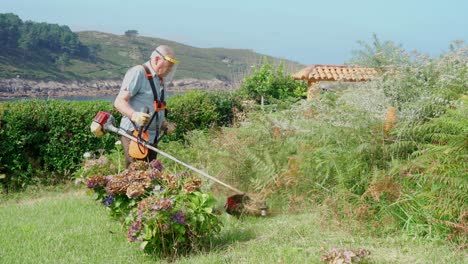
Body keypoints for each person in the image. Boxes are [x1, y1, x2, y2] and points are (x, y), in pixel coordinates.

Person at [114, 45, 179, 168]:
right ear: (156, 60)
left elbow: (156, 106)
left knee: (150, 178)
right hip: (135, 135)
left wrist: (164, 123)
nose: (170, 69)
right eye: (169, 65)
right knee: (136, 177)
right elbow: (119, 102)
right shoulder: (138, 72)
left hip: (152, 137)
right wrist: (134, 115)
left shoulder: (160, 79)